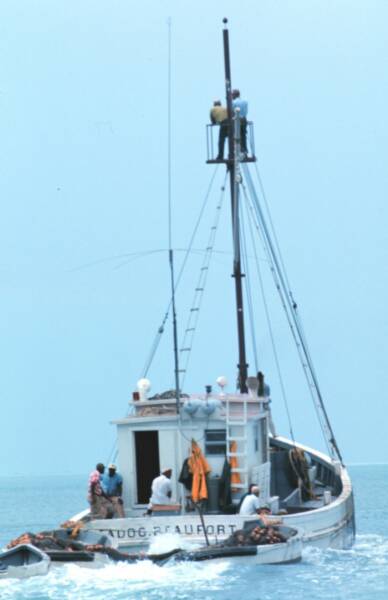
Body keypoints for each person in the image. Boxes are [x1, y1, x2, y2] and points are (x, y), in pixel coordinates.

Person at [232, 89, 248, 155]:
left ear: (235, 95)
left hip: (237, 120)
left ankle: (236, 150)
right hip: (244, 119)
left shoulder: (234, 102)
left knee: (236, 135)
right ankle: (244, 150)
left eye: (232, 95)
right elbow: (246, 111)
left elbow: (232, 112)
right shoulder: (245, 101)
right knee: (243, 135)